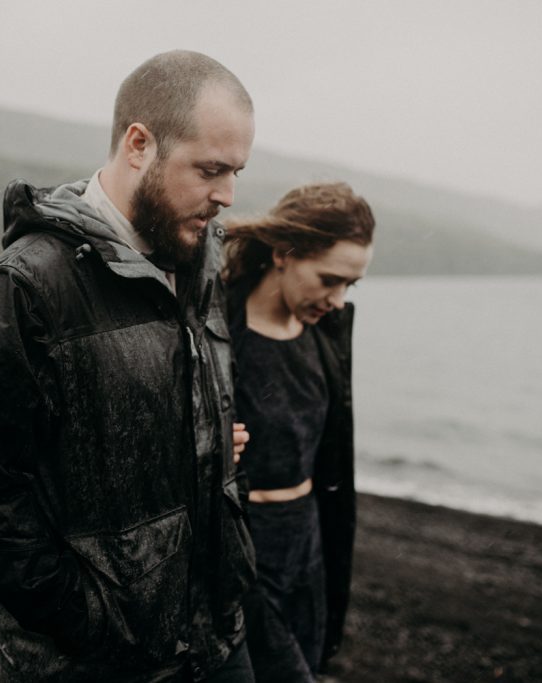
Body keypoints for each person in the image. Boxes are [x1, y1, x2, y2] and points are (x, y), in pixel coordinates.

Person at [0, 51, 257, 682]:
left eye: (236, 172)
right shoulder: (24, 288)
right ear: (138, 144)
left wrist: (211, 446)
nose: (228, 196)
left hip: (219, 637)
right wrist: (88, 619)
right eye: (210, 170)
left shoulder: (203, 259)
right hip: (100, 662)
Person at [223, 182, 375, 681]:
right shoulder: (217, 327)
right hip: (242, 545)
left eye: (350, 286)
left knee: (310, 661)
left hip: (310, 537)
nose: (337, 300)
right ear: (283, 252)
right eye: (330, 279)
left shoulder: (325, 336)